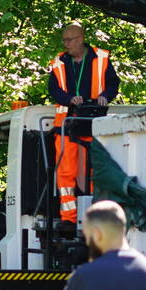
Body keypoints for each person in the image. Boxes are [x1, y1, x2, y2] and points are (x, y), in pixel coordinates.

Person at [47, 21, 120, 225]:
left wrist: (105, 96)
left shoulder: (102, 58)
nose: (66, 44)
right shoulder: (59, 62)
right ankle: (69, 218)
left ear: (80, 39)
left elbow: (113, 83)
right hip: (66, 124)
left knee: (93, 171)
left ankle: (95, 214)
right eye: (64, 40)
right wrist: (69, 98)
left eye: (69, 40)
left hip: (93, 122)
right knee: (65, 172)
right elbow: (53, 89)